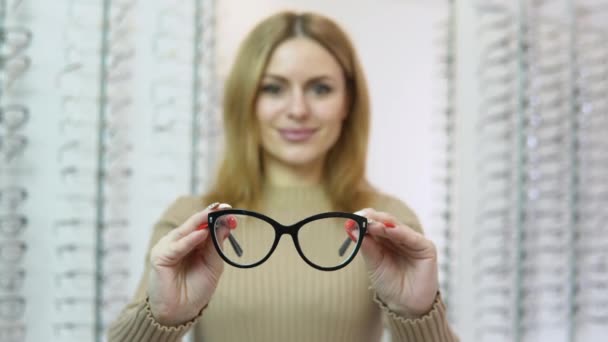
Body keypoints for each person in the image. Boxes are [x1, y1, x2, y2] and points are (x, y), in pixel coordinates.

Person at [108, 10, 458, 342]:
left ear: (347, 101)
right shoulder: (192, 223)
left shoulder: (387, 226)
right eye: (273, 88)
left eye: (320, 89)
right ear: (247, 99)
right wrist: (160, 318)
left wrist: (419, 315)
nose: (297, 110)